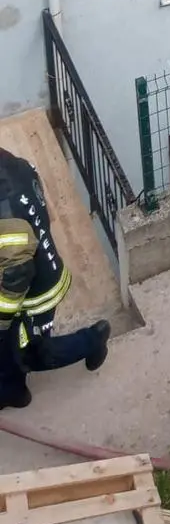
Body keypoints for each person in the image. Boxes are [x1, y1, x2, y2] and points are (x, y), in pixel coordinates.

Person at [0, 144, 110, 410]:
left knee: (25, 351)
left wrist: (1, 319)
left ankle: (92, 341)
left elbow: (16, 273)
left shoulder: (5, 211)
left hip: (32, 294)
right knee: (14, 349)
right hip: (39, 267)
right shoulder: (13, 163)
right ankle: (12, 389)